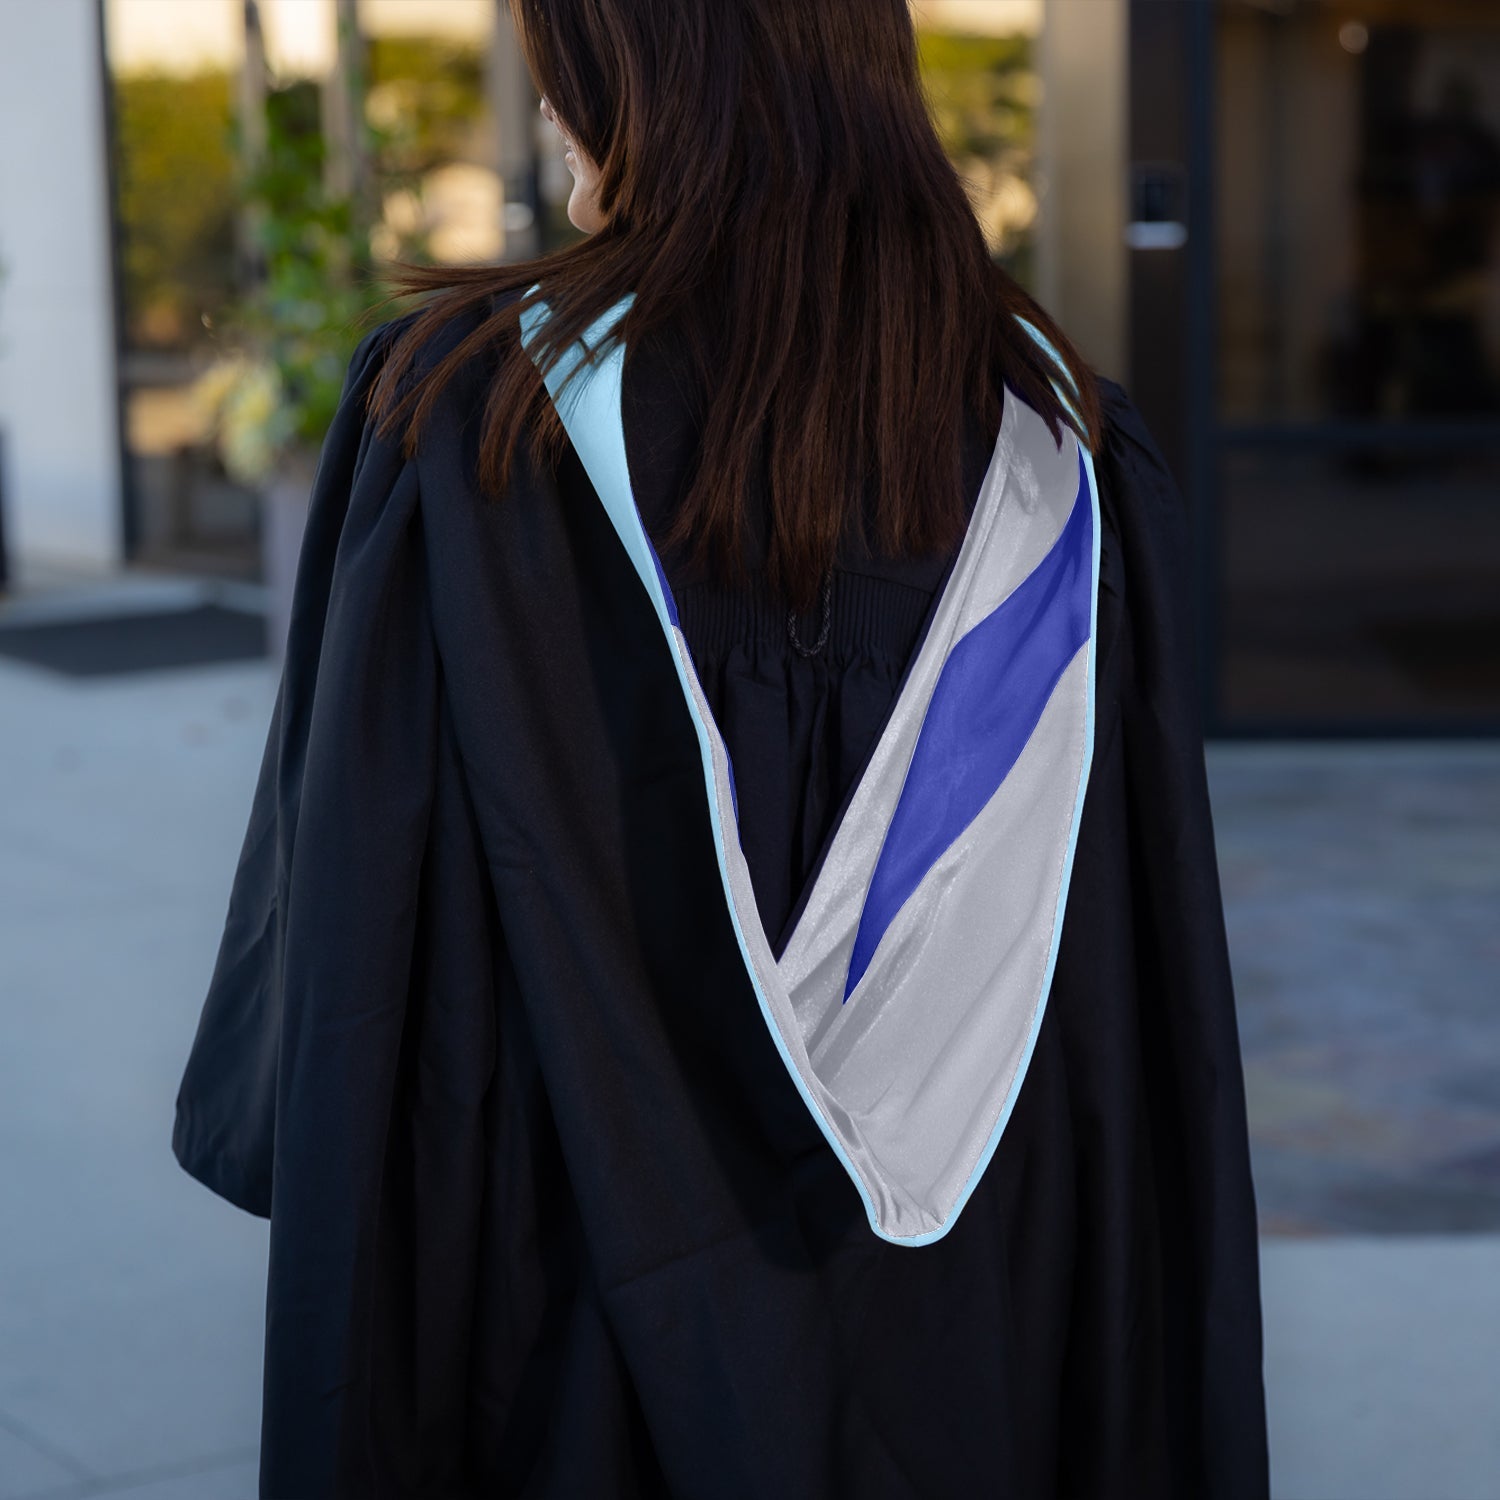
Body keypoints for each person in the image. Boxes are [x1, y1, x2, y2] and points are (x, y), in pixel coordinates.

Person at [171, 1, 1269, 1494]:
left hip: (561, 1326)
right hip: (988, 1326)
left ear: (651, 73)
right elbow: (1138, 1009)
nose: (546, 105)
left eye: (565, 58)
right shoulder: (1062, 446)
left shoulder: (469, 426)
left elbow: (357, 955)